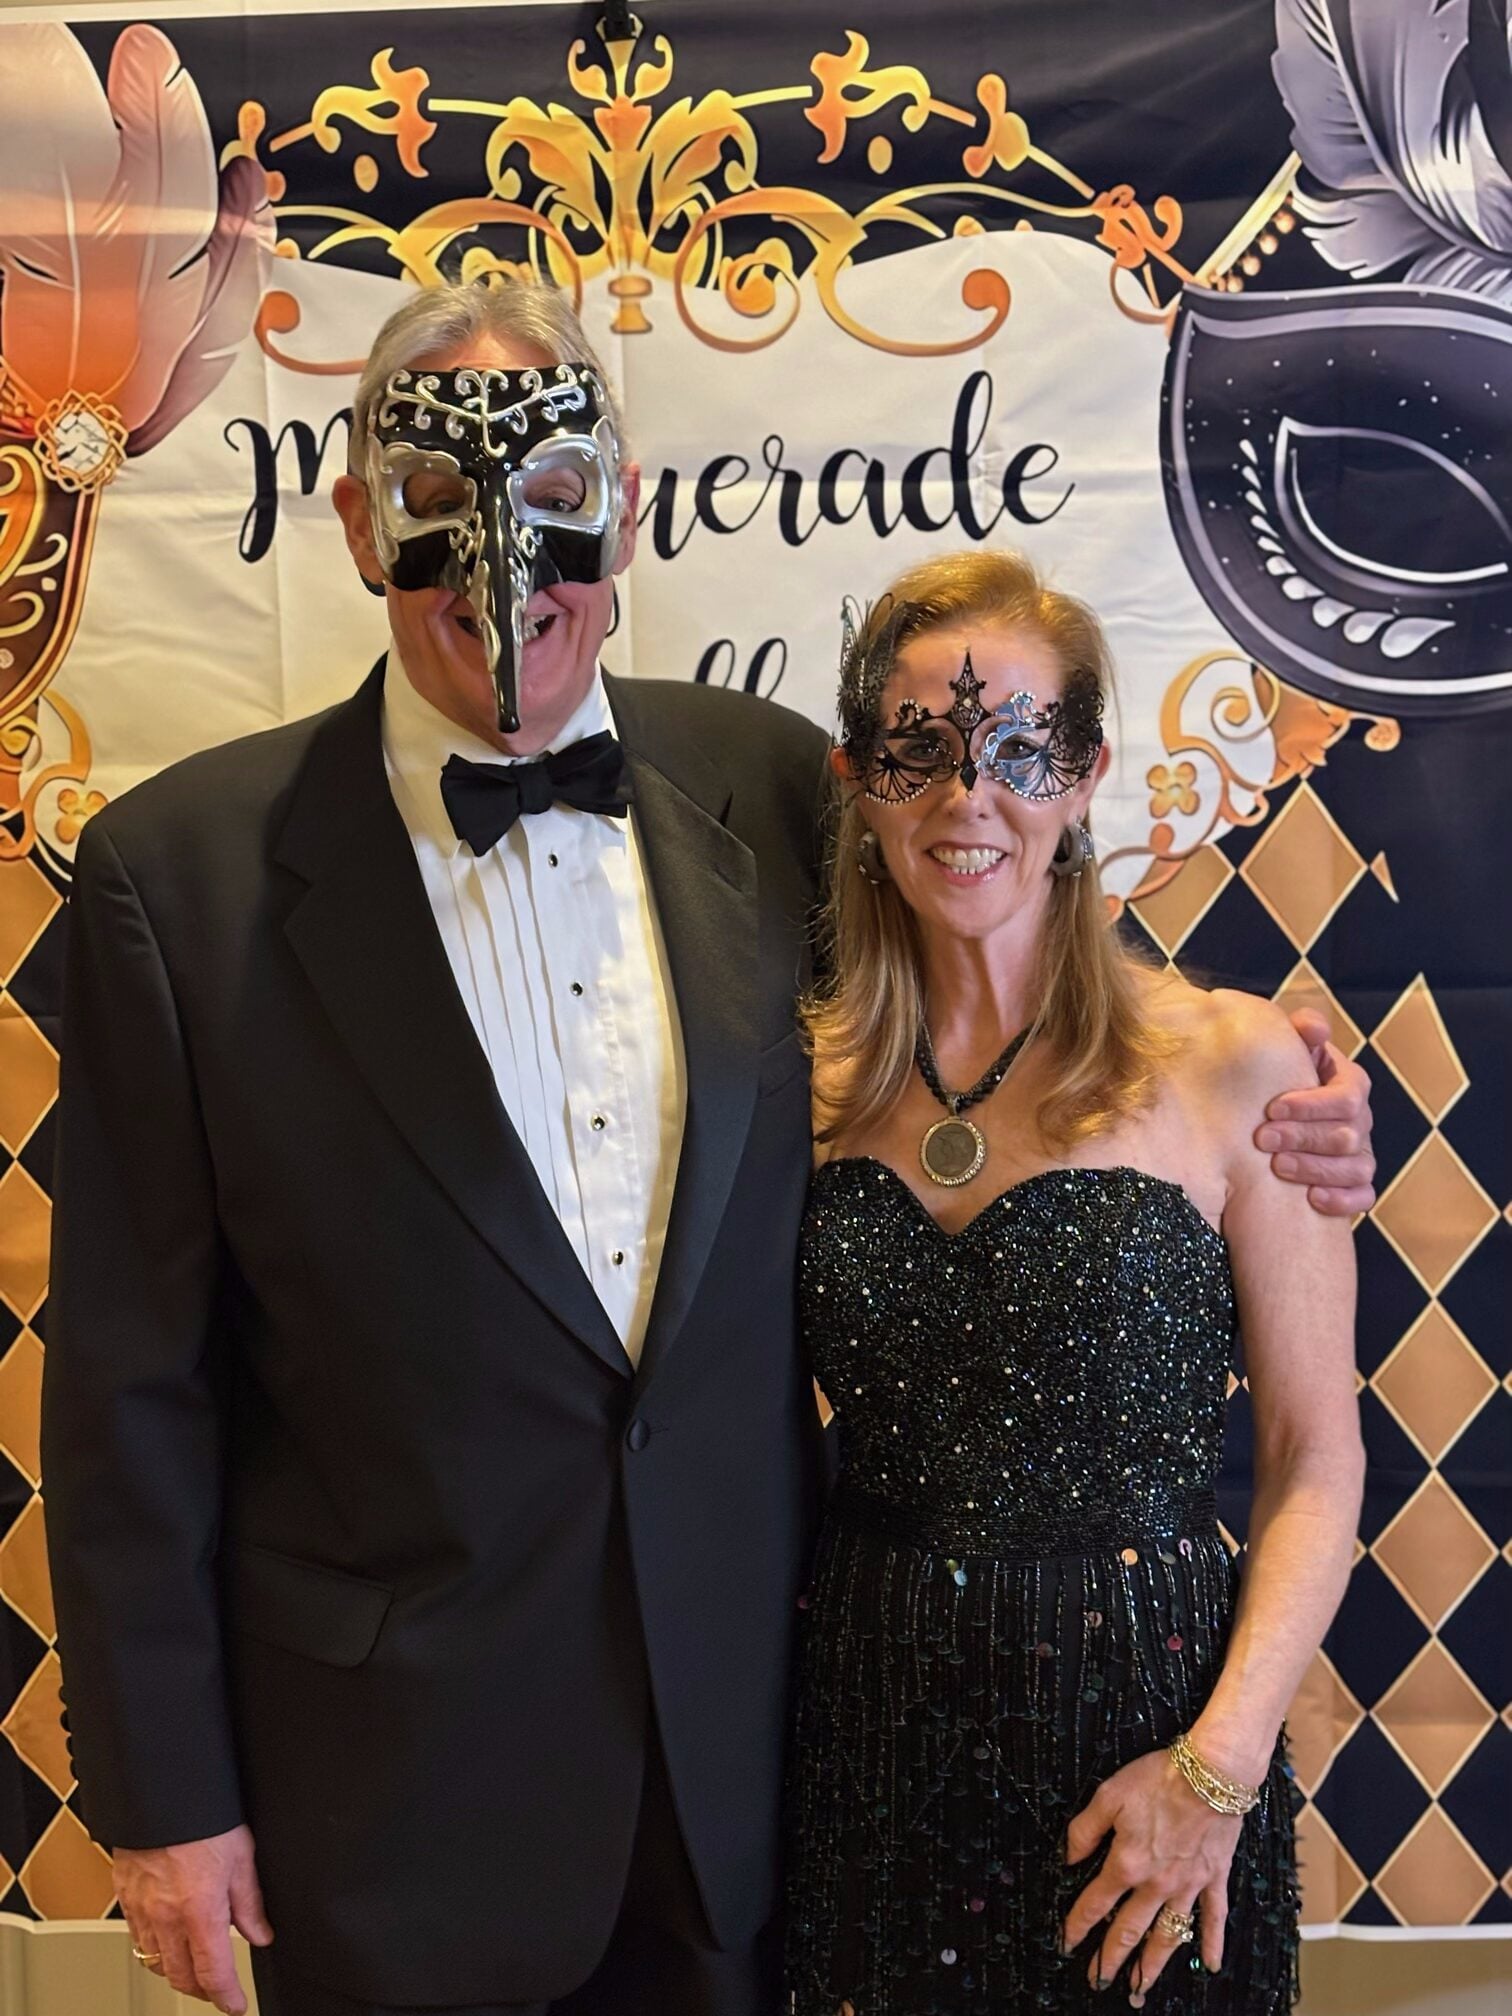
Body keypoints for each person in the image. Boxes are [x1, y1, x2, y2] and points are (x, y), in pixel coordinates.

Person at [42, 283, 1373, 2016]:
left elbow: (992, 945)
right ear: (361, 522)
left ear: (627, 510)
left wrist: (1276, 1087)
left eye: (552, 502)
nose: (503, 576)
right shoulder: (178, 880)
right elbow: (128, 1390)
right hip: (386, 1802)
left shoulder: (763, 785)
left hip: (753, 1784)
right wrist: (162, 1799)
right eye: (436, 503)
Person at [785, 553, 1365, 2016]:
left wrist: (1217, 1771)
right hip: (864, 1745)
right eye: (919, 751)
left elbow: (1316, 1458)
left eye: (1020, 749)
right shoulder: (792, 1087)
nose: (968, 797)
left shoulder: (1235, 1061)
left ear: (1091, 774)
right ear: (859, 782)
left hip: (1156, 1756)